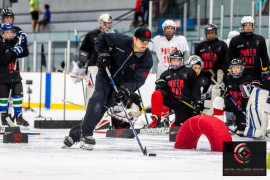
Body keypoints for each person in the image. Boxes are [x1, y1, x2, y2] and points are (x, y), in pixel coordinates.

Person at [63, 27, 153, 150]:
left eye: (147, 42)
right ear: (135, 39)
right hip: (105, 75)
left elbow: (138, 80)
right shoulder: (122, 40)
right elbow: (101, 38)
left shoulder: (147, 59)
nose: (145, 44)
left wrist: (126, 90)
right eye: (142, 41)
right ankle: (87, 135)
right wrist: (103, 53)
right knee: (97, 99)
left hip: (119, 88)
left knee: (100, 112)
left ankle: (74, 135)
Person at [149, 50, 201, 128]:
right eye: (173, 60)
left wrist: (197, 103)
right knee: (157, 93)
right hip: (171, 99)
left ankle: (174, 124)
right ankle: (156, 121)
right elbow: (160, 90)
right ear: (170, 61)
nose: (175, 62)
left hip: (184, 102)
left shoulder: (189, 72)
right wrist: (160, 86)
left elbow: (195, 88)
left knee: (181, 127)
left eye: (178, 60)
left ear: (181, 61)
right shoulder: (165, 74)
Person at [74, 13, 115, 102]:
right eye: (108, 23)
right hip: (93, 67)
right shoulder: (91, 35)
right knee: (91, 91)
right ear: (102, 23)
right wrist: (81, 64)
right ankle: (90, 113)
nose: (110, 25)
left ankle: (105, 114)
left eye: (110, 23)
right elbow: (84, 51)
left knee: (108, 91)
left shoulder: (114, 35)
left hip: (109, 67)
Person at [0, 23, 29, 128]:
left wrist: (24, 42)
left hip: (15, 76)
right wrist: (13, 53)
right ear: (3, 33)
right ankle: (3, 117)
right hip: (3, 77)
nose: (9, 34)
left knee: (18, 96)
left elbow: (25, 53)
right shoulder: (0, 44)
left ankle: (19, 117)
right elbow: (3, 60)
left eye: (11, 32)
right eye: (7, 32)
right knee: (3, 98)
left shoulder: (15, 42)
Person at [214, 59, 253, 136]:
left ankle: (240, 122)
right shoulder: (229, 78)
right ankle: (219, 125)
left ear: (242, 68)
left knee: (242, 132)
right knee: (218, 100)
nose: (235, 70)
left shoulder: (248, 78)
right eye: (234, 67)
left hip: (243, 108)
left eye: (238, 67)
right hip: (232, 104)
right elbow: (227, 91)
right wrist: (224, 93)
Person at [228, 16, 270, 81]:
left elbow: (264, 57)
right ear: (242, 27)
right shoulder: (235, 40)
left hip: (256, 75)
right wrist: (230, 71)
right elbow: (230, 57)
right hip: (239, 76)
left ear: (253, 26)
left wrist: (266, 71)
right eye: (246, 25)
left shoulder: (260, 39)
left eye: (250, 25)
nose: (248, 27)